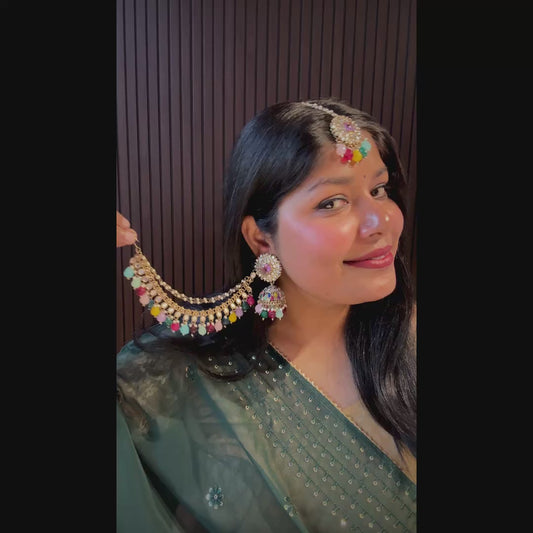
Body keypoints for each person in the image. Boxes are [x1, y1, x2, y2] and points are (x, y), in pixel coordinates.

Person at [116, 98, 416, 532]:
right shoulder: (167, 384)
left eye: (379, 190)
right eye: (332, 202)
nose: (380, 222)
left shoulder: (408, 336)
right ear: (261, 239)